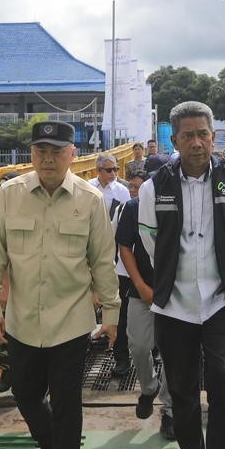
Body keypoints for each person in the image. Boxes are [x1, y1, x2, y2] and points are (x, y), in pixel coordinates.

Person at [0, 121, 120, 449]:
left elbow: (101, 261)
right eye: (40, 150)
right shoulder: (11, 195)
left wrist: (111, 313)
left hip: (71, 321)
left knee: (66, 403)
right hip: (22, 319)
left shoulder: (90, 200)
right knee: (24, 394)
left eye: (57, 151)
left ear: (72, 155)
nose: (47, 158)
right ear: (31, 154)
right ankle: (49, 444)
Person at [138, 101, 225, 449]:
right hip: (175, 304)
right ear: (175, 139)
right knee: (184, 390)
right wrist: (178, 275)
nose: (197, 142)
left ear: (213, 136)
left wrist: (218, 272)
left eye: (203, 134)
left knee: (224, 381)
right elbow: (150, 239)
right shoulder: (155, 186)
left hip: (223, 300)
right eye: (187, 135)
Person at [116, 174, 176, 440]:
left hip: (177, 296)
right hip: (141, 291)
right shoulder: (132, 208)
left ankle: (170, 410)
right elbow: (124, 247)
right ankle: (149, 387)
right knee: (139, 345)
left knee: (176, 354)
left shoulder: (179, 204)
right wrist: (140, 285)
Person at [89, 153, 133, 375]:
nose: (114, 173)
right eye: (109, 170)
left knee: (118, 309)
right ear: (98, 170)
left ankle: (121, 358)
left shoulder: (122, 191)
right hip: (88, 255)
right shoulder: (88, 189)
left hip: (113, 258)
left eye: (116, 169)